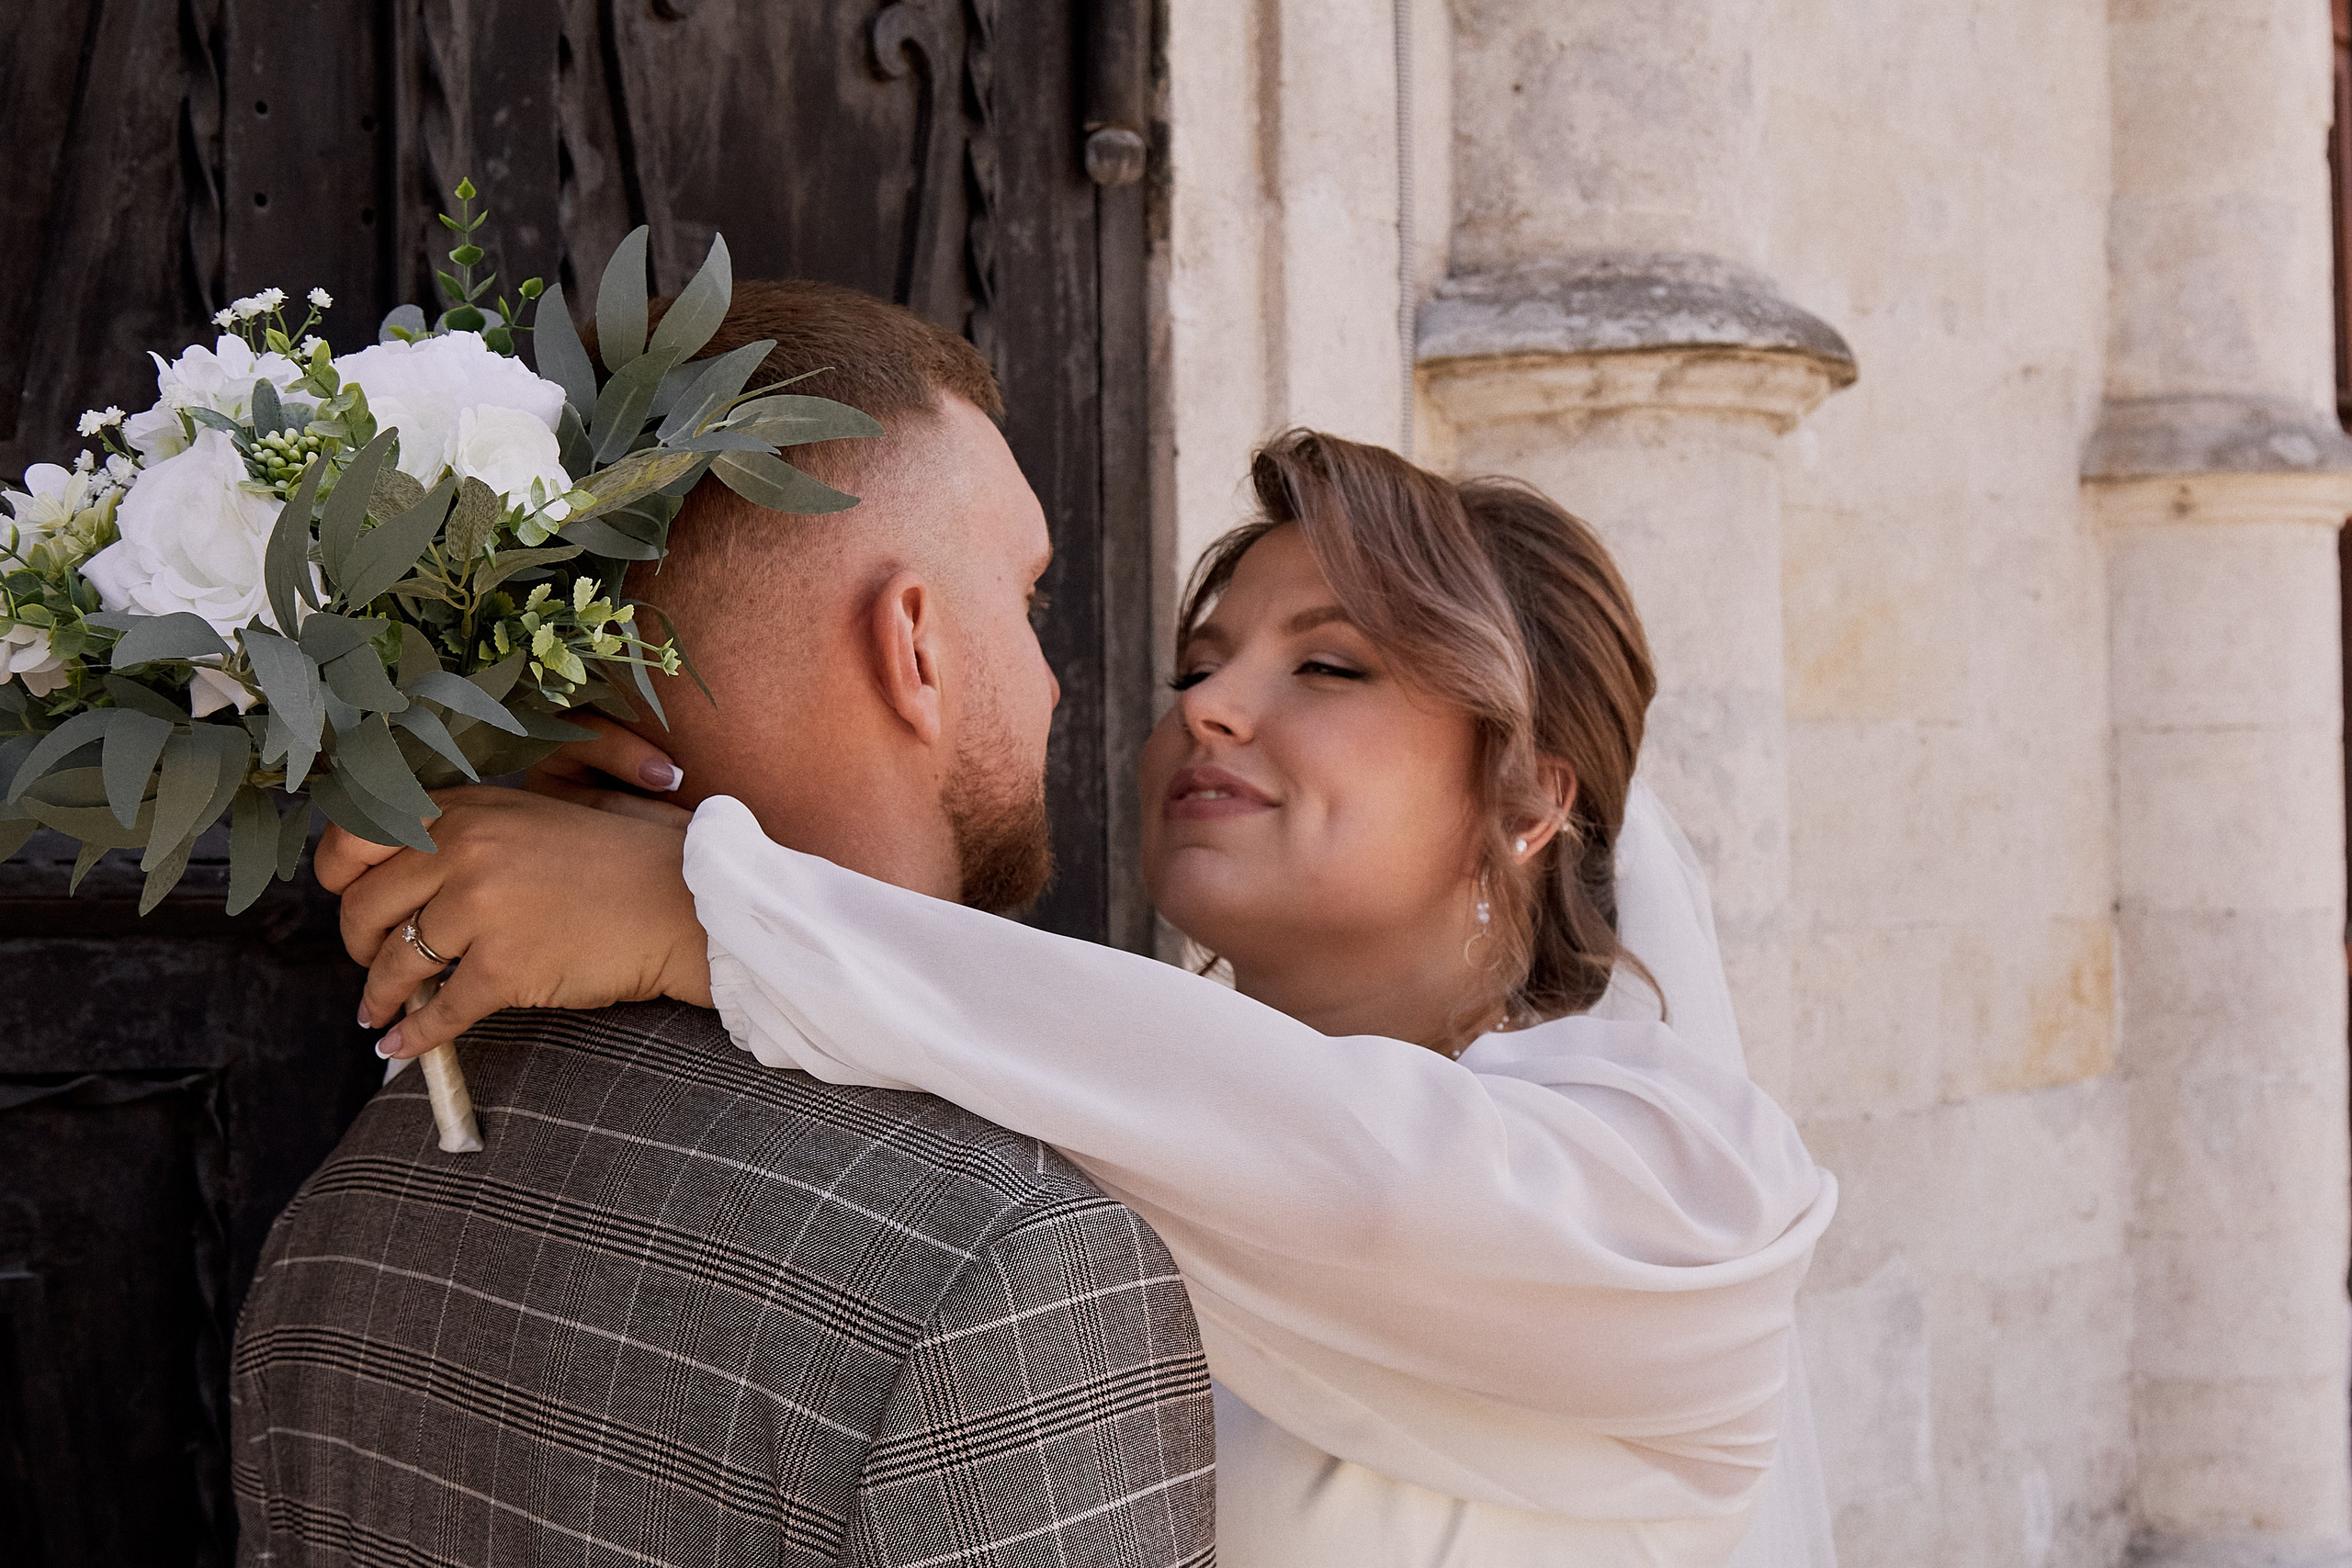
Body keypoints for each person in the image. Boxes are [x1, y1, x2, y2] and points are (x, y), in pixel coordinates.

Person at [324, 430, 1838, 1567]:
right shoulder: (1068, 1102)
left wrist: (703, 912)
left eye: (1330, 666)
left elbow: (1363, 1180)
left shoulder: (1680, 1185)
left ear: (1531, 799)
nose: (1207, 707)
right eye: (1199, 659)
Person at [228, 281, 1217, 1568]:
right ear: (912, 643)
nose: (1051, 681)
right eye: (1024, 601)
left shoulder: (356, 1194)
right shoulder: (1015, 1257)